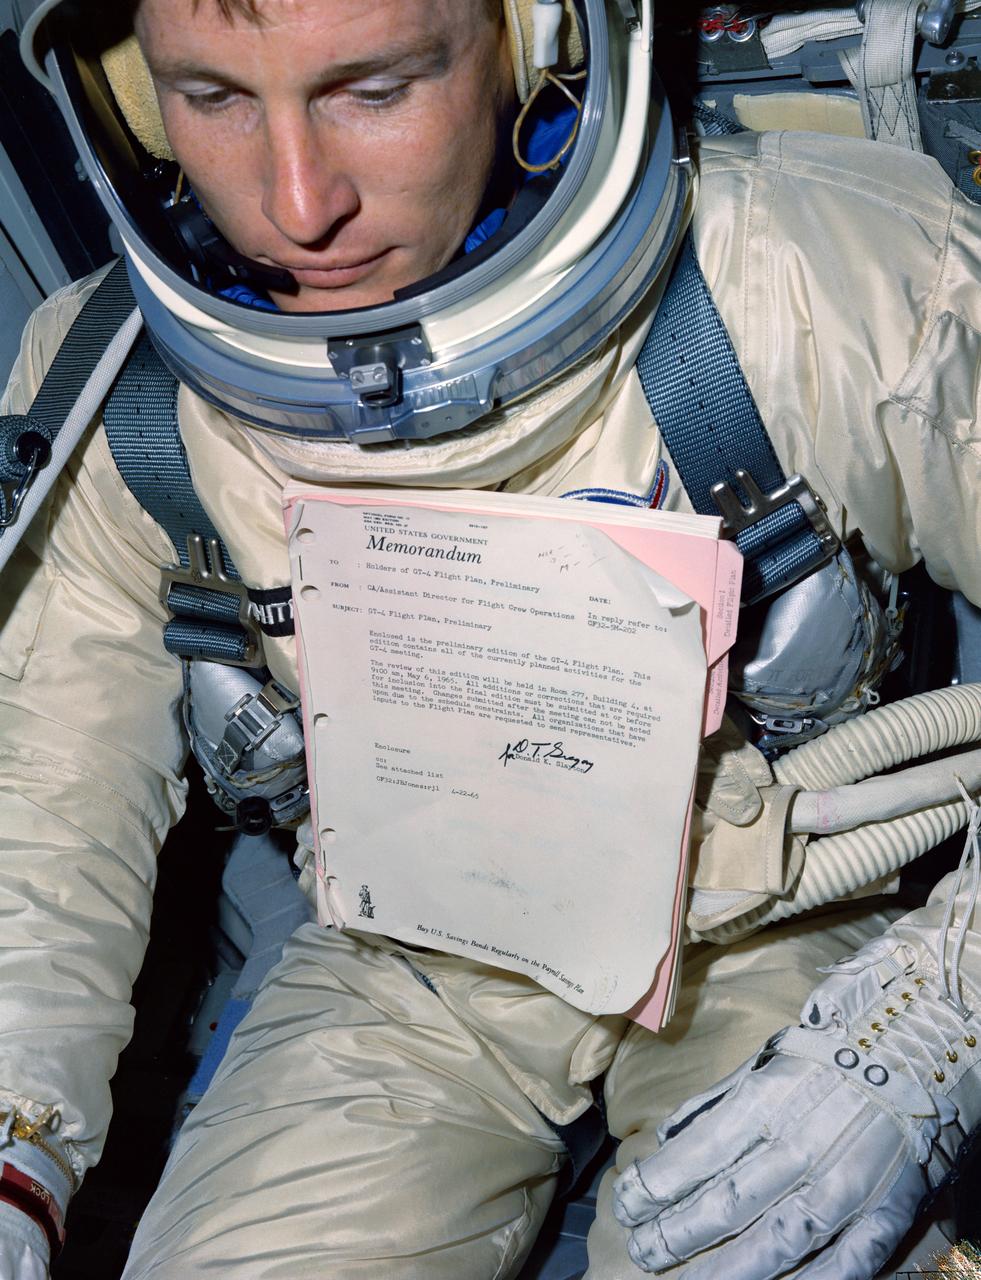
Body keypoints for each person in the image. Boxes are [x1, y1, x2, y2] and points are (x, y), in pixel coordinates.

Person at [1, 0, 980, 1276]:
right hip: (407, 954)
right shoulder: (121, 395)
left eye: (374, 89)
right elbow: (45, 793)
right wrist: (13, 1153)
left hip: (781, 921)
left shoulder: (812, 283)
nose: (297, 205)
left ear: (534, 36)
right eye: (214, 97)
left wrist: (934, 1016)